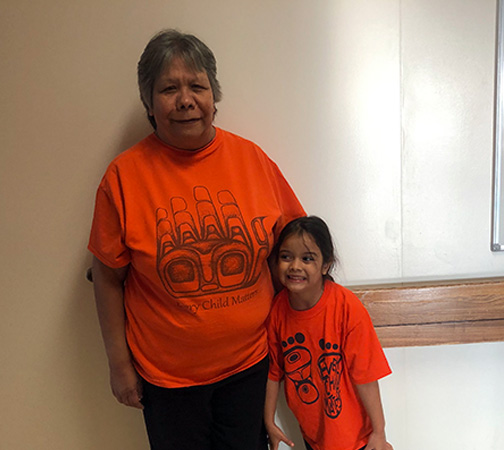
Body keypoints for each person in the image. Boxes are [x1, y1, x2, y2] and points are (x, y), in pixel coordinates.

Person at [88, 29, 305, 450]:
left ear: (213, 96)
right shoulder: (123, 177)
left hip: (250, 366)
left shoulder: (253, 161)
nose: (185, 99)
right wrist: (119, 364)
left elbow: (294, 249)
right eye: (168, 88)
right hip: (168, 380)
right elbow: (108, 276)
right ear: (149, 103)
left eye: (197, 86)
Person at [264, 216, 393, 450]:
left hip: (357, 439)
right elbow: (274, 372)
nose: (295, 266)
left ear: (325, 265)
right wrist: (268, 421)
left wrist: (379, 432)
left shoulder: (346, 307)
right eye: (286, 257)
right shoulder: (277, 310)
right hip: (313, 435)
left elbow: (366, 376)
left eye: (307, 258)